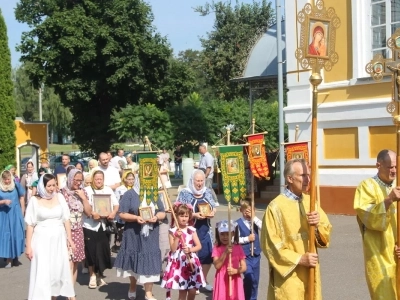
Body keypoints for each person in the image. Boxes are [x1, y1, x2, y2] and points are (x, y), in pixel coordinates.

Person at [261, 158, 332, 300]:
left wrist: (317, 226)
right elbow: (271, 246)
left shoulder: (311, 202)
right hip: (289, 275)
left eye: (309, 175)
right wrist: (300, 259)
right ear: (290, 178)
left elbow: (326, 231)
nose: (308, 179)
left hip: (311, 269)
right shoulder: (275, 207)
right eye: (303, 176)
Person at [354, 149, 400, 299]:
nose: (394, 170)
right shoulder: (366, 187)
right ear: (378, 165)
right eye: (390, 167)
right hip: (378, 255)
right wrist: (388, 200)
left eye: (396, 166)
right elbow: (366, 216)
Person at [114, 177, 166, 300]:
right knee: (134, 259)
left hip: (151, 234)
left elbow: (163, 211)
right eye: (144, 181)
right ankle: (133, 286)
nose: (146, 184)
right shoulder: (130, 194)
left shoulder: (153, 194)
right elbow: (121, 213)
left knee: (150, 259)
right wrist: (136, 218)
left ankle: (148, 292)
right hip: (133, 233)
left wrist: (157, 217)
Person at [25, 174, 75, 300]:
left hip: (58, 239)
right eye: (49, 186)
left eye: (54, 185)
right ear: (43, 186)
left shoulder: (60, 197)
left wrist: (69, 239)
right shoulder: (34, 201)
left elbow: (66, 219)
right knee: (43, 270)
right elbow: (30, 225)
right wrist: (28, 247)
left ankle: (54, 296)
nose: (52, 188)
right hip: (41, 240)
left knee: (57, 270)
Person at [177, 169, 217, 292]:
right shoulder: (185, 193)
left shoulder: (208, 192)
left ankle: (202, 280)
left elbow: (214, 206)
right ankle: (193, 281)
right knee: (192, 256)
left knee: (207, 256)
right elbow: (179, 211)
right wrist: (194, 215)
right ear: (192, 180)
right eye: (197, 181)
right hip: (190, 230)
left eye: (201, 181)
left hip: (205, 230)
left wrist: (212, 213)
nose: (199, 183)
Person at [161, 202, 205, 300]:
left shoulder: (191, 230)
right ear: (176, 216)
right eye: (181, 216)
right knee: (183, 290)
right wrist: (177, 237)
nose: (184, 218)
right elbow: (173, 249)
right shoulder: (172, 231)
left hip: (191, 261)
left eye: (186, 216)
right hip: (179, 262)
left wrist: (190, 249)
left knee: (193, 290)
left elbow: (199, 246)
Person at [83, 170, 119, 288]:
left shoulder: (107, 190)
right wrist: (93, 213)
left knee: (102, 251)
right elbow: (84, 206)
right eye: (96, 179)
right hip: (90, 225)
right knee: (91, 250)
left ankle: (100, 275)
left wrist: (113, 213)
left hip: (103, 225)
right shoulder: (87, 190)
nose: (99, 181)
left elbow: (115, 204)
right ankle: (92, 275)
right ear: (93, 179)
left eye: (101, 179)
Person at [60, 169, 92, 289]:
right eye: (76, 180)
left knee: (75, 262)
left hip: (78, 231)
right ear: (70, 178)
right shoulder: (61, 193)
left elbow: (88, 213)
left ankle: (71, 291)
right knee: (67, 262)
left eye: (80, 180)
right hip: (65, 232)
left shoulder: (82, 192)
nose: (78, 183)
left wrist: (83, 198)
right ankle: (64, 290)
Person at [212, 220, 246, 300]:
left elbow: (244, 266)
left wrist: (236, 271)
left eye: (228, 234)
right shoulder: (216, 248)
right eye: (222, 234)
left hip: (235, 278)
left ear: (233, 233)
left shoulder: (238, 247)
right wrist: (225, 253)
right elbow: (217, 266)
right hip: (222, 279)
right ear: (218, 234)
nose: (225, 237)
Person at [236, 200, 262, 300]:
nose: (247, 213)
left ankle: (253, 298)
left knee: (255, 281)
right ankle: (245, 297)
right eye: (245, 211)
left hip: (256, 255)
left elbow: (265, 228)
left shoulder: (255, 221)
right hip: (245, 256)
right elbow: (235, 240)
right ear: (241, 210)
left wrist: (254, 217)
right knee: (249, 277)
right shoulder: (238, 223)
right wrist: (247, 239)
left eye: (250, 210)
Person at [0, 170, 25, 268]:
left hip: (15, 213)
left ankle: (15, 256)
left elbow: (22, 197)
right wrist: (3, 202)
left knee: (16, 234)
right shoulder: (0, 187)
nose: (7, 181)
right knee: (6, 235)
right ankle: (8, 258)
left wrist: (22, 210)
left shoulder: (16, 185)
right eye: (5, 180)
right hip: (4, 214)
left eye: (8, 179)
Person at [113, 172, 135, 253]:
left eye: (132, 179)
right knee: (121, 233)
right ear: (124, 179)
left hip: (133, 215)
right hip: (122, 215)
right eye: (129, 179)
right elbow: (116, 201)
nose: (131, 181)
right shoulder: (120, 189)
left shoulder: (136, 188)